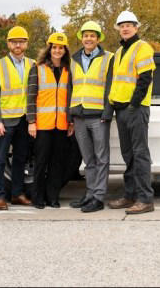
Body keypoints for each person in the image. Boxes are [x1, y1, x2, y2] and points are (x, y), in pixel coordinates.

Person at [107, 10, 156, 214]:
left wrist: (134, 104)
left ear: (136, 27)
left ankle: (145, 199)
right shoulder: (119, 52)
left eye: (129, 24)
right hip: (122, 109)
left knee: (140, 154)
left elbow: (145, 78)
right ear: (118, 29)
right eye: (122, 25)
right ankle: (130, 196)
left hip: (135, 109)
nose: (125, 28)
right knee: (129, 155)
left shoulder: (142, 47)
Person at [67, 21, 114, 213]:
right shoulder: (74, 59)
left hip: (98, 116)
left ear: (98, 38)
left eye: (92, 36)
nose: (88, 39)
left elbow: (111, 86)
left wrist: (107, 112)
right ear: (81, 38)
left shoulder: (108, 58)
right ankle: (90, 194)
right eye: (85, 35)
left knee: (101, 157)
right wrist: (70, 115)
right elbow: (70, 87)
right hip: (79, 115)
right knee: (88, 159)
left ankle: (98, 197)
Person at [0, 25, 34, 210]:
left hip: (24, 120)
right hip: (5, 121)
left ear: (26, 44)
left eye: (21, 42)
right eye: (14, 42)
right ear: (8, 43)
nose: (18, 45)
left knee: (20, 159)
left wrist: (32, 120)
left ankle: (17, 194)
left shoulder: (32, 64)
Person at [26, 31, 72, 209]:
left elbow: (70, 98)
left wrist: (70, 122)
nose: (57, 51)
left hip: (61, 125)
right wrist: (31, 121)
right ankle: (38, 198)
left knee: (57, 164)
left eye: (61, 48)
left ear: (65, 50)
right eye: (54, 47)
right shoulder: (37, 68)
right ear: (49, 49)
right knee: (41, 163)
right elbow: (30, 96)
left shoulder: (69, 70)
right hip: (42, 125)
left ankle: (53, 197)